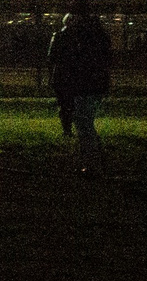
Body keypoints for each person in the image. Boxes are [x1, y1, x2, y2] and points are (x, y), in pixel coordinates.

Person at [48, 11, 113, 177]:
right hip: (92, 86)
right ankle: (94, 161)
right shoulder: (98, 40)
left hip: (86, 86)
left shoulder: (85, 42)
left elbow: (58, 58)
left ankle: (92, 163)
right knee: (85, 123)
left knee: (83, 123)